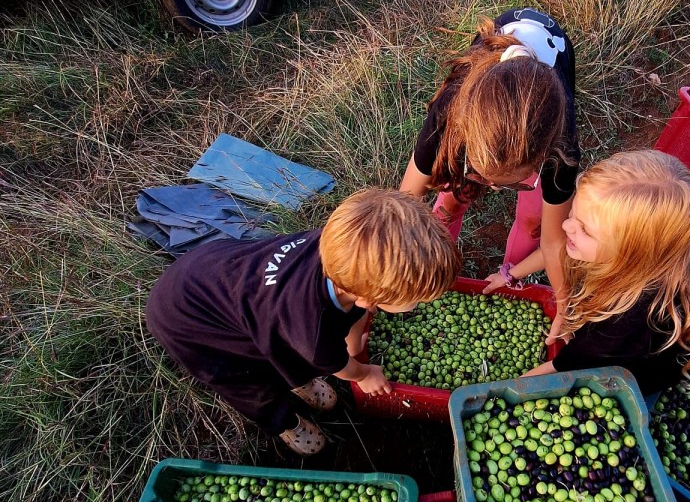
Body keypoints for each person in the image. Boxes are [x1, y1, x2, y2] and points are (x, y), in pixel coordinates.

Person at [145, 189, 461, 455]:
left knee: (282, 347)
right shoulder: (312, 331)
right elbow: (335, 363)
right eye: (415, 300)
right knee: (251, 382)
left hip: (215, 270)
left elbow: (356, 310)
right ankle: (285, 423)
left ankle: (298, 378)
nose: (418, 304)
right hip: (190, 321)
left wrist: (353, 344)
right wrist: (363, 373)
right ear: (369, 297)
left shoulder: (346, 256)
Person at [504, 150, 690, 394]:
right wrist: (511, 274)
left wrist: (502, 391)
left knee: (643, 376)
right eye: (573, 212)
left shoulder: (624, 322)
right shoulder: (659, 247)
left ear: (628, 254)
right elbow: (559, 250)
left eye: (585, 229)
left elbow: (565, 366)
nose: (566, 225)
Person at [400, 8, 579, 343]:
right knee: (449, 202)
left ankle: (510, 275)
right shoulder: (449, 114)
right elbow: (405, 203)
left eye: (509, 181)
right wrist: (404, 271)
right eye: (483, 175)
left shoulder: (561, 148)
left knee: (534, 221)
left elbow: (555, 242)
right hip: (487, 84)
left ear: (542, 158)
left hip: (555, 57)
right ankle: (439, 268)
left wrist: (566, 305)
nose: (494, 188)